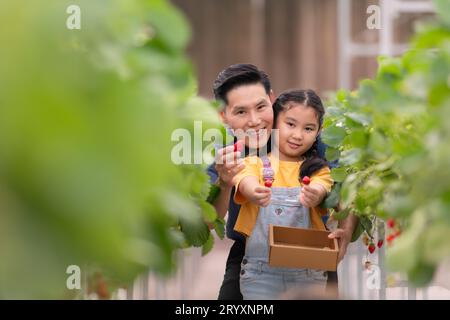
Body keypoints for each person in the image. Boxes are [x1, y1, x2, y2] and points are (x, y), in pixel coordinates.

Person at [208, 64, 356, 300]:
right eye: (241, 112)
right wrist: (226, 183)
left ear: (272, 99)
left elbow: (342, 186)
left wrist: (346, 232)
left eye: (260, 107)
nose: (255, 121)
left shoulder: (312, 139)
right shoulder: (226, 150)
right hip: (254, 260)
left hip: (312, 256)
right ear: (223, 116)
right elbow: (208, 220)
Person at [232, 89, 332, 299]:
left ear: (318, 132)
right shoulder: (255, 163)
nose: (298, 135)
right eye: (290, 124)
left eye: (308, 128)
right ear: (274, 123)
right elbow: (243, 179)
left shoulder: (317, 170)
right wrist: (253, 192)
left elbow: (323, 186)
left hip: (307, 274)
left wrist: (316, 193)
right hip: (260, 274)